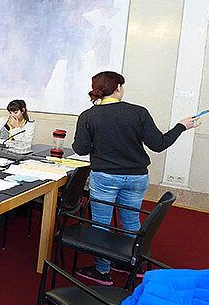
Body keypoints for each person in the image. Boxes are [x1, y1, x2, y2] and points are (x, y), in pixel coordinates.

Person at [72, 71, 200, 285]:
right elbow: (158, 144)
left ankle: (102, 271)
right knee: (130, 221)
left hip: (104, 177)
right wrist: (181, 126)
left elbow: (81, 149)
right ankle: (132, 264)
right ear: (118, 88)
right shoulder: (138, 112)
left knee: (101, 224)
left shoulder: (88, 116)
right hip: (137, 178)